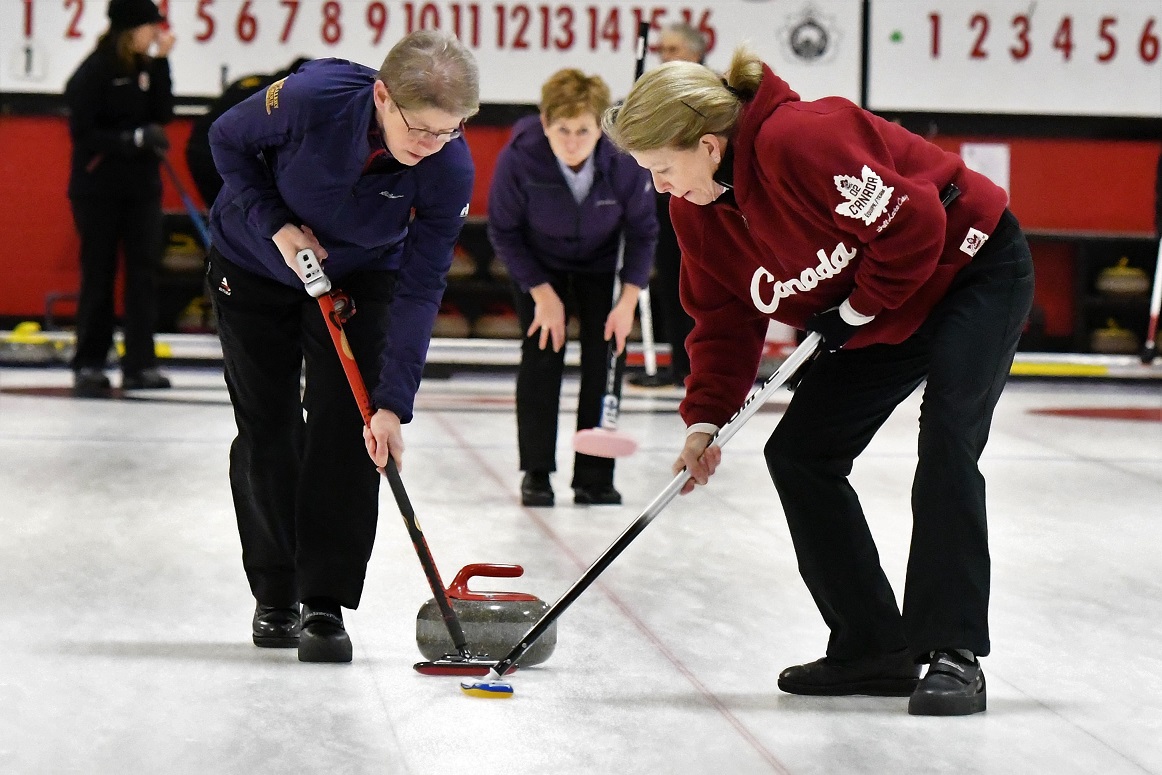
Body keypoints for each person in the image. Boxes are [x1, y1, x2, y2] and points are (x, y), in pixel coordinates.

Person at [605, 45, 1034, 716]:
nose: (660, 187)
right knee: (800, 452)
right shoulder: (697, 212)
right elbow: (723, 320)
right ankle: (873, 647)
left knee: (948, 438)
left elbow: (915, 223)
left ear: (709, 147)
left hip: (967, 268)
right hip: (881, 302)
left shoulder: (799, 140)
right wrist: (704, 421)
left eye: (662, 168)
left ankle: (953, 651)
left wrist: (856, 311)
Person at [206, 31, 478, 662]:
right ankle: (277, 592)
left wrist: (393, 403)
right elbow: (226, 139)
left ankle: (324, 600)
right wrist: (275, 224)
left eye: (449, 131)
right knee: (268, 427)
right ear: (382, 96)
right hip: (253, 262)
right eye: (420, 128)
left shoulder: (447, 166)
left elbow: (421, 287)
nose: (431, 145)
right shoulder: (313, 97)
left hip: (361, 273)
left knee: (349, 429)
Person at [488, 68, 657, 507]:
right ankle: (537, 473)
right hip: (540, 264)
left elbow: (643, 232)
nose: (572, 142)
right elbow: (503, 231)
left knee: (605, 356)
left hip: (601, 265)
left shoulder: (623, 160)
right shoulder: (519, 157)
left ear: (600, 127)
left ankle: (595, 476)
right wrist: (542, 294)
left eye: (583, 130)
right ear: (545, 122)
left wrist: (628, 301)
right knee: (543, 352)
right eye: (562, 130)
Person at [64, 0, 175, 396]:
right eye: (150, 26)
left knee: (143, 275)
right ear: (130, 29)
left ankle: (140, 363)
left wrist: (162, 63)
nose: (156, 33)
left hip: (141, 189)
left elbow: (162, 112)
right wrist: (130, 140)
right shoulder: (96, 70)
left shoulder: (145, 68)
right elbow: (83, 132)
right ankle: (90, 362)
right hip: (99, 190)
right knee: (99, 274)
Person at [629, 22, 707, 389]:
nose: (665, 56)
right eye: (662, 50)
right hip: (667, 199)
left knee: (707, 285)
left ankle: (707, 368)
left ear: (696, 53)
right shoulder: (655, 94)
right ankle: (680, 365)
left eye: (673, 49)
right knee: (674, 281)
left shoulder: (710, 92)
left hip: (706, 200)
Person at [185, 57, 311, 209]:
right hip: (220, 153)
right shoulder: (279, 96)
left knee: (228, 214)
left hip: (197, 148)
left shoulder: (255, 81)